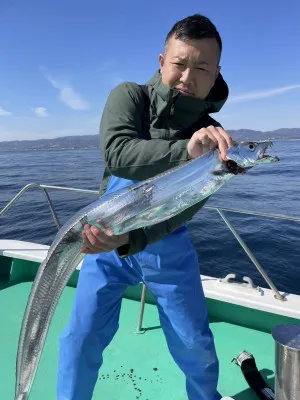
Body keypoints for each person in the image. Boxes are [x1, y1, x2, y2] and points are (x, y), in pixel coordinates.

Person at [57, 13, 233, 400]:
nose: (188, 76)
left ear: (216, 73)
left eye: (202, 67)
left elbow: (186, 206)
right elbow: (118, 153)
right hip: (104, 243)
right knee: (80, 338)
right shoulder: (130, 97)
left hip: (166, 243)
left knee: (195, 344)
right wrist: (187, 151)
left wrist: (131, 236)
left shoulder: (210, 132)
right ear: (161, 61)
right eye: (180, 64)